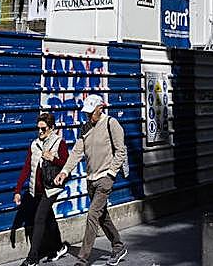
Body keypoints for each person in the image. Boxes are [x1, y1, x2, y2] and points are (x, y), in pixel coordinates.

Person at [54, 95, 128, 266]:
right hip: (91, 179)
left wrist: (111, 173)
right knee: (102, 216)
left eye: (91, 113)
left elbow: (120, 151)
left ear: (100, 108)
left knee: (92, 215)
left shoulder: (111, 123)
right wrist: (65, 171)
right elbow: (77, 152)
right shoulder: (85, 127)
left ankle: (83, 258)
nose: (88, 116)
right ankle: (119, 246)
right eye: (86, 113)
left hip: (105, 178)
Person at [14, 111, 70, 265]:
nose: (40, 132)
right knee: (49, 218)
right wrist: (18, 190)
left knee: (39, 218)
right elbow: (27, 168)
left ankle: (32, 258)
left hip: (51, 188)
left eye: (43, 129)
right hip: (36, 189)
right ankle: (59, 247)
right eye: (38, 128)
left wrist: (53, 158)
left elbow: (67, 165)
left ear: (51, 128)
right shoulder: (34, 144)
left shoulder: (59, 143)